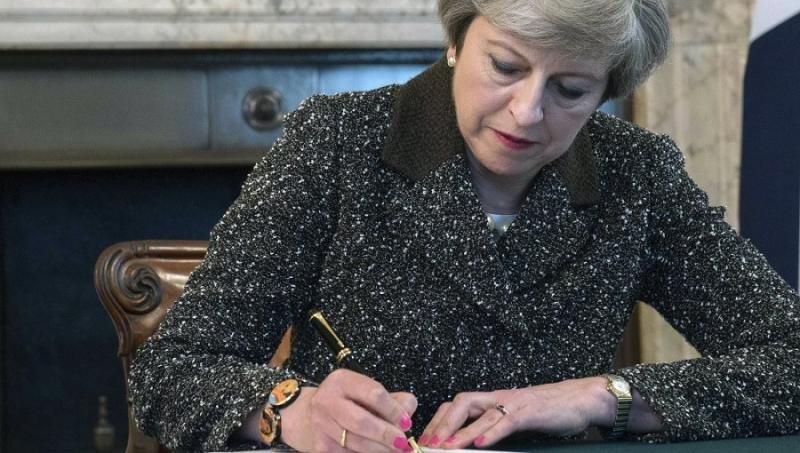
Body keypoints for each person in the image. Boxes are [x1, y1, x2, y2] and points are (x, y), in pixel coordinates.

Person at [129, 0, 800, 451]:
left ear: (606, 90)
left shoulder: (637, 174)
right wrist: (291, 408)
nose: (528, 111)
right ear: (456, 40)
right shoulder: (337, 141)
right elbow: (171, 367)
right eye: (505, 67)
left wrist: (601, 395)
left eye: (570, 90)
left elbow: (789, 360)